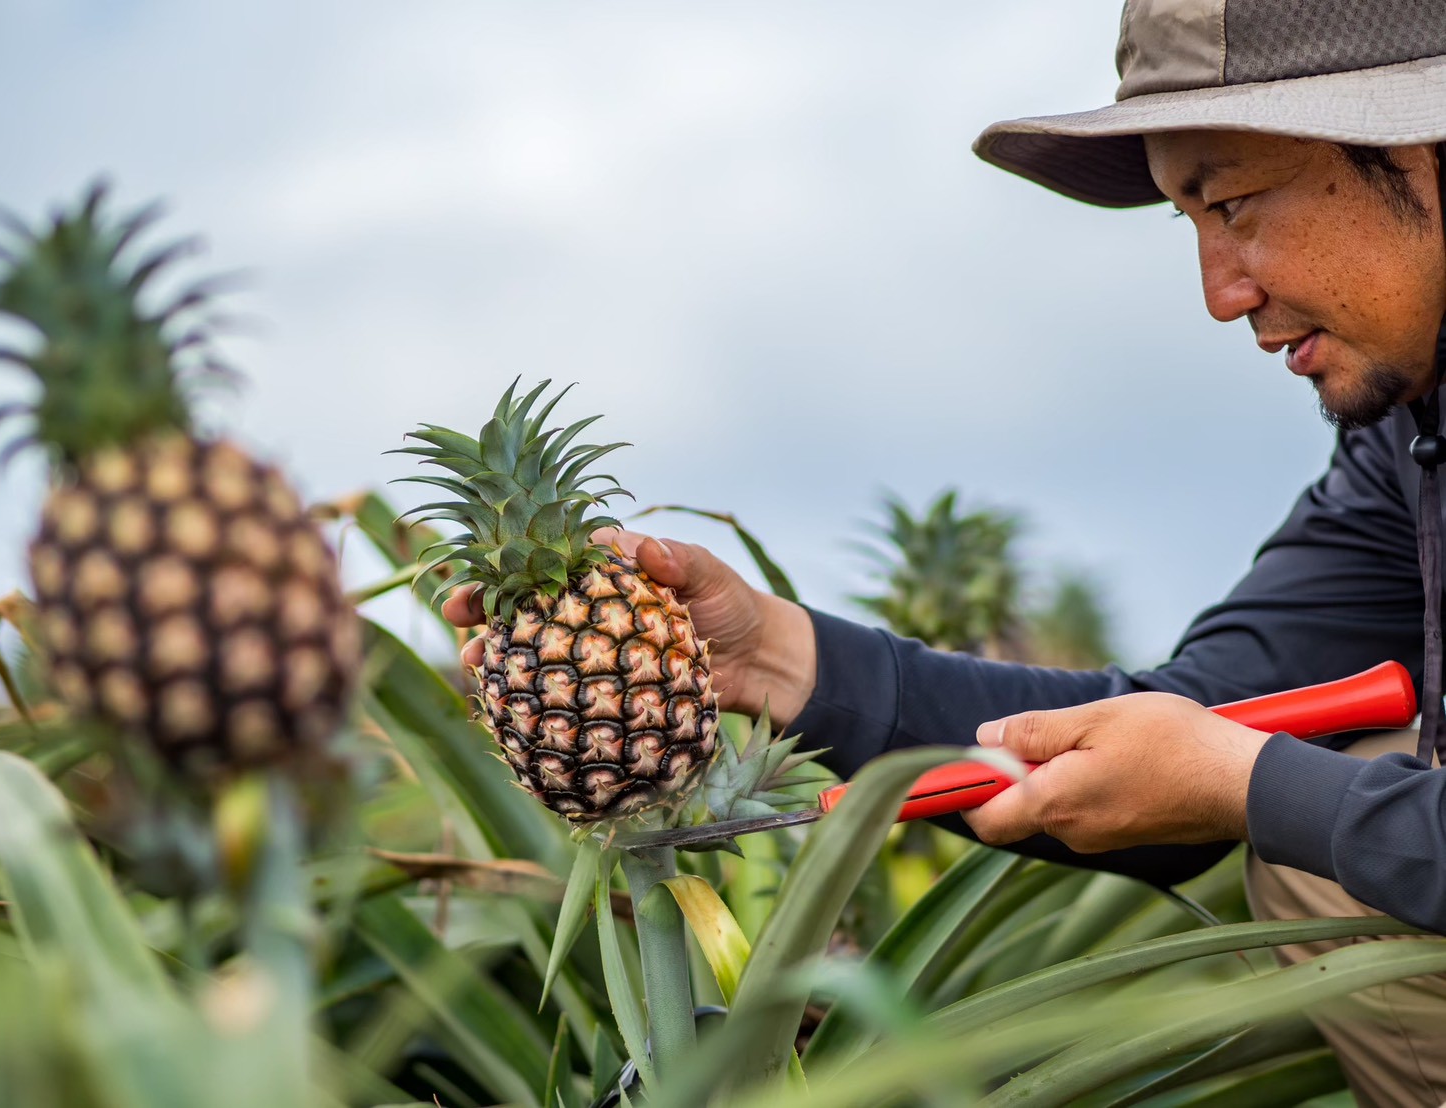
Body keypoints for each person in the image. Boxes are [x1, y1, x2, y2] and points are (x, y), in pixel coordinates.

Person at [446, 2, 1446, 1103]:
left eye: (1236, 203)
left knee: (1320, 840)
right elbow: (1197, 713)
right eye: (1188, 224)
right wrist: (774, 658)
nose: (1219, 291)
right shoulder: (1405, 436)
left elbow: (1227, 759)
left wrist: (1250, 784)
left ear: (1414, 147)